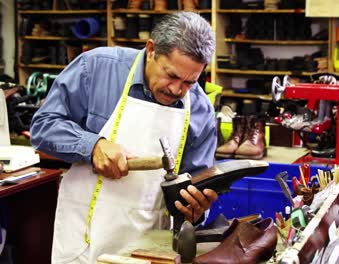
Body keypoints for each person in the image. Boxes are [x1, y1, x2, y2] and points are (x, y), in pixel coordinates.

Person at [30, 12, 218, 264]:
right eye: (171, 75)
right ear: (151, 49)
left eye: (189, 82)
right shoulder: (96, 68)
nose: (177, 90)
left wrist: (194, 207)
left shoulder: (201, 110)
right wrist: (92, 145)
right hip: (84, 239)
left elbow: (192, 188)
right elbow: (43, 127)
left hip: (149, 246)